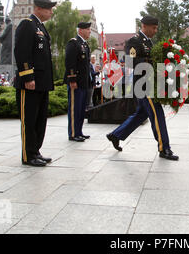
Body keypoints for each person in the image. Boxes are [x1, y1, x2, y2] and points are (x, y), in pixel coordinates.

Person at [106, 16, 179, 161]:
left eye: (156, 28)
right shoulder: (134, 41)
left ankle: (116, 135)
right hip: (144, 85)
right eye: (154, 27)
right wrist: (150, 62)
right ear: (144, 26)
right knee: (157, 115)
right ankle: (164, 148)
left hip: (151, 83)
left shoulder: (149, 42)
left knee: (141, 115)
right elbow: (130, 61)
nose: (155, 30)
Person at [14, 0, 55, 167]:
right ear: (38, 8)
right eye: (49, 9)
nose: (51, 12)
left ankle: (35, 150)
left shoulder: (40, 27)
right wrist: (27, 76)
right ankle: (27, 155)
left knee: (39, 119)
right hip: (30, 82)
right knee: (29, 120)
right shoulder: (27, 24)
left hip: (41, 82)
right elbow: (22, 52)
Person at [64, 22, 92, 142]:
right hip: (76, 82)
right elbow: (70, 62)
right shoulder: (73, 43)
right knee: (75, 109)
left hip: (83, 82)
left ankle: (79, 131)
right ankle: (73, 133)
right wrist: (72, 79)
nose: (90, 32)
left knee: (81, 109)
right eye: (88, 29)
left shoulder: (84, 45)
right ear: (80, 30)